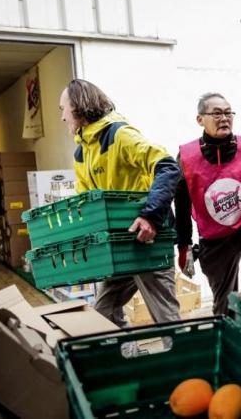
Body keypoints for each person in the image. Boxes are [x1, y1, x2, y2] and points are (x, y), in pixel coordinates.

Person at [59, 79, 181, 326]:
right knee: (104, 314)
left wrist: (150, 216)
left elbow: (167, 166)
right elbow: (86, 204)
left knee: (166, 319)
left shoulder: (119, 135)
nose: (62, 117)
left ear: (79, 106)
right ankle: (126, 357)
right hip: (119, 246)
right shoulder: (82, 153)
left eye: (63, 108)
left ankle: (187, 362)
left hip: (148, 240)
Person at [174, 92, 241, 315]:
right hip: (215, 241)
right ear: (200, 119)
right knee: (224, 310)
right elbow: (182, 204)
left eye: (228, 113)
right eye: (216, 114)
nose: (224, 118)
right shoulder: (187, 157)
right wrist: (183, 245)